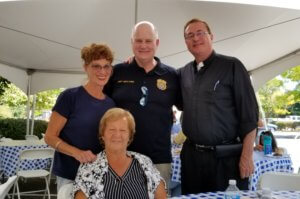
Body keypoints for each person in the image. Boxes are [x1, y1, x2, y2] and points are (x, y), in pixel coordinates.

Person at [177, 18, 259, 194]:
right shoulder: (183, 73)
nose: (195, 38)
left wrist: (247, 155)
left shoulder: (232, 66)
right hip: (192, 160)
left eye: (200, 33)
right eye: (190, 35)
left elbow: (250, 115)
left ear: (211, 36)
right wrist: (141, 60)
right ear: (186, 42)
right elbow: (160, 77)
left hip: (226, 160)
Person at [104, 21, 181, 189]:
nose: (143, 45)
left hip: (158, 160)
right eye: (138, 41)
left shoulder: (172, 75)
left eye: (148, 41)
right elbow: (101, 106)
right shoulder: (117, 72)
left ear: (157, 43)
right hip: (120, 157)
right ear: (132, 43)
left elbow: (187, 106)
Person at [44, 43, 115, 191]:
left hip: (100, 174)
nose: (102, 71)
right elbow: (50, 137)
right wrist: (76, 153)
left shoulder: (111, 104)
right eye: (96, 66)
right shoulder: (70, 97)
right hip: (70, 175)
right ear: (85, 67)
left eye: (106, 66)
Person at [73, 108, 166, 199]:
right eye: (111, 130)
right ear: (103, 135)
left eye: (123, 130)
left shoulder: (144, 162)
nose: (117, 135)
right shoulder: (88, 167)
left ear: (130, 136)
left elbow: (161, 195)